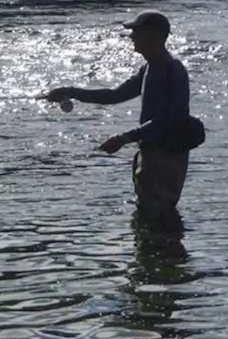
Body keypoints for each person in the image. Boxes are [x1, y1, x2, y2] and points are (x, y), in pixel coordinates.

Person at [46, 11, 192, 219]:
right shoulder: (150, 67)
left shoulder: (171, 70)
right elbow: (115, 95)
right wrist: (71, 92)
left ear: (154, 35)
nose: (131, 36)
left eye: (136, 31)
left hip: (166, 156)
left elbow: (168, 120)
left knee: (157, 217)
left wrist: (125, 138)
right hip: (152, 152)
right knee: (149, 214)